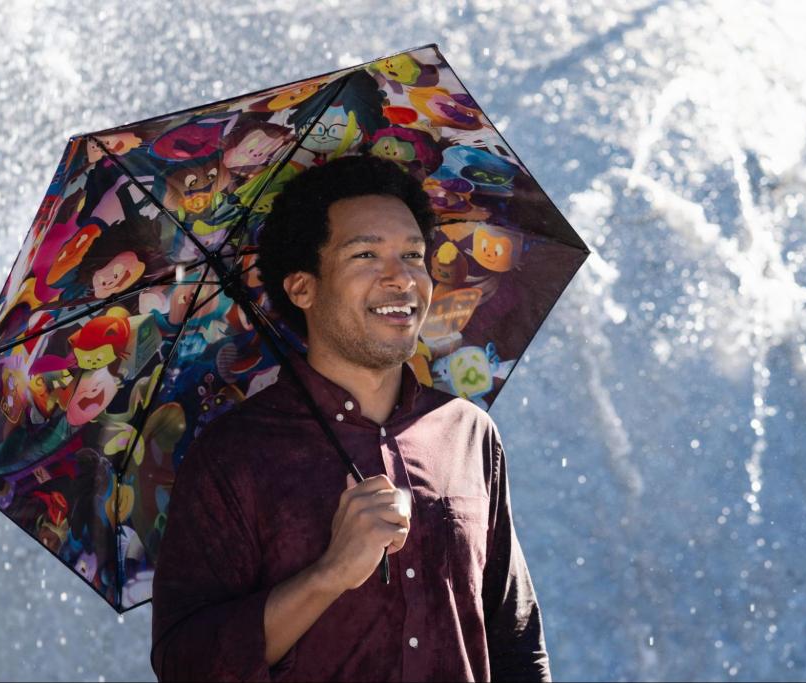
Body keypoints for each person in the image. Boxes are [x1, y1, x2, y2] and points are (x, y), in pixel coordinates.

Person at [150, 154, 550, 681]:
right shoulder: (232, 457)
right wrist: (331, 573)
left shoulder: (468, 433)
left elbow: (518, 646)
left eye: (413, 254)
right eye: (366, 255)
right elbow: (186, 665)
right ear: (302, 288)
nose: (403, 279)